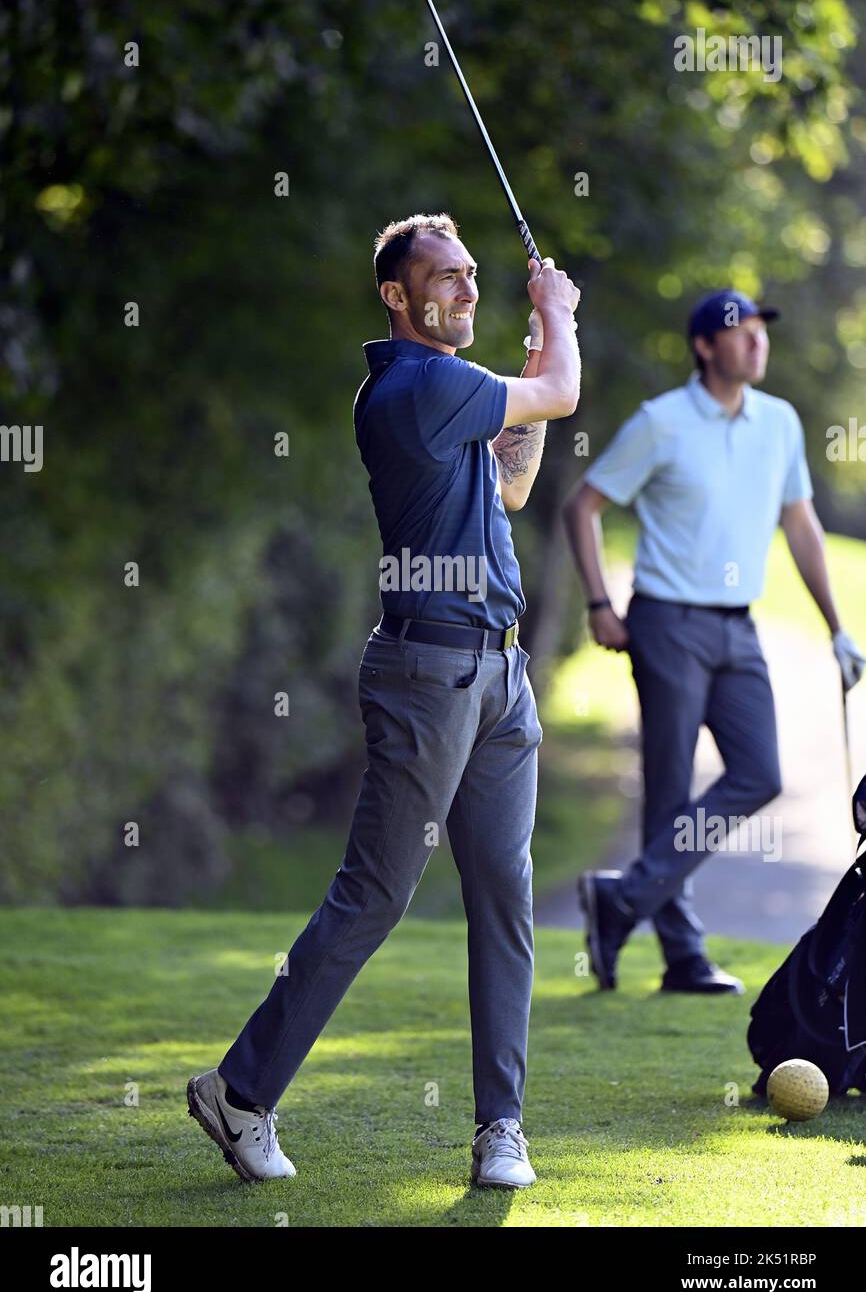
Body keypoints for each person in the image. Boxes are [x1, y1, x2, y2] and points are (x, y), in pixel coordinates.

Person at [188, 213, 580, 1187]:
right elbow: (562, 395)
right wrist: (559, 313)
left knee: (505, 895)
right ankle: (239, 1092)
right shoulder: (415, 384)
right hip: (426, 675)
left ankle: (499, 1130)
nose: (464, 288)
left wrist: (533, 338)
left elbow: (515, 482)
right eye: (442, 277)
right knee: (374, 893)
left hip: (497, 673)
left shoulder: (453, 398)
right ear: (397, 298)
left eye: (471, 273)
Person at [561, 288, 864, 995]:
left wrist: (837, 626)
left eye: (762, 330)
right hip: (667, 621)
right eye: (741, 331)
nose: (757, 341)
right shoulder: (660, 423)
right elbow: (584, 504)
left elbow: (801, 526)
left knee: (759, 774)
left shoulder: (780, 423)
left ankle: (623, 900)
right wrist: (600, 603)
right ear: (705, 346)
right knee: (667, 793)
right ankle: (683, 956)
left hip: (739, 625)